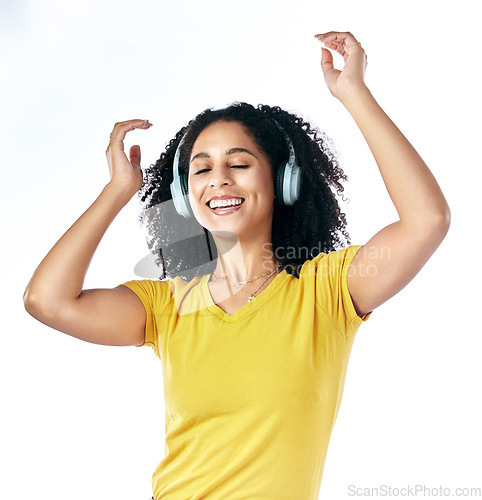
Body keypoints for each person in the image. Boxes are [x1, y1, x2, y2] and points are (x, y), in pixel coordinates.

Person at [23, 31, 451, 499]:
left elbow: (426, 220)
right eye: (201, 169)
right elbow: (48, 301)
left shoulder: (325, 291)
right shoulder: (168, 303)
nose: (218, 179)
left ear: (283, 182)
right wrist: (117, 192)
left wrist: (353, 92)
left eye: (239, 164)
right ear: (188, 199)